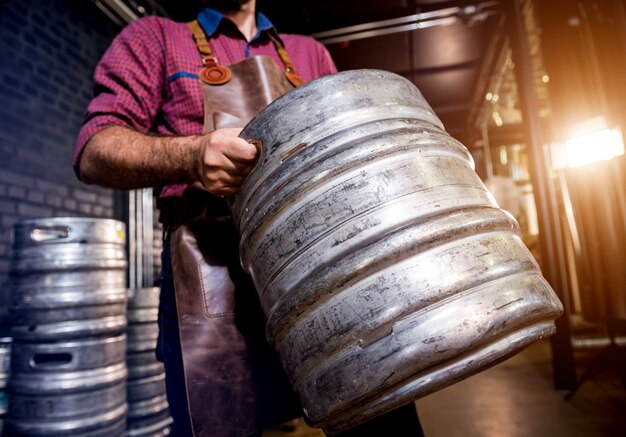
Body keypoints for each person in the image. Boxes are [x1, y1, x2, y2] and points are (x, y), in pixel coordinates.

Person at [74, 0, 424, 435]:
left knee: (382, 414)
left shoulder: (309, 53)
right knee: (219, 422)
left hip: (322, 267)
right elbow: (95, 150)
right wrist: (192, 155)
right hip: (210, 276)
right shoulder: (157, 37)